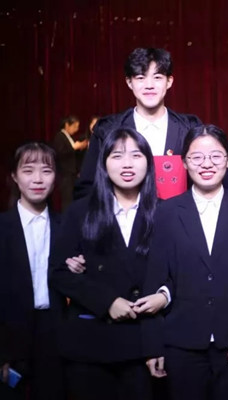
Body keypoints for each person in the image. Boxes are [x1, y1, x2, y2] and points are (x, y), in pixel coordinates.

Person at [142, 125, 228, 400]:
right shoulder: (166, 212)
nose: (206, 164)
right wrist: (153, 345)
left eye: (216, 156)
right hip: (181, 342)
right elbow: (155, 278)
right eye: (196, 157)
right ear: (184, 162)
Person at [49, 128, 162, 400]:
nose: (127, 164)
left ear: (148, 162)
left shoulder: (164, 212)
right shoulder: (80, 211)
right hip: (90, 345)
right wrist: (107, 301)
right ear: (103, 163)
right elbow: (58, 273)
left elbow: (176, 274)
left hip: (142, 346)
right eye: (117, 155)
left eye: (136, 155)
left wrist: (162, 298)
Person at [75, 47, 201, 199]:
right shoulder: (107, 129)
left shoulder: (189, 128)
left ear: (169, 81)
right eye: (141, 78)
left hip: (179, 213)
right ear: (129, 82)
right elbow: (87, 188)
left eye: (157, 77)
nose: (149, 85)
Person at [0, 142, 65, 400]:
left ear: (56, 177)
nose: (37, 179)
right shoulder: (3, 228)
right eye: (28, 170)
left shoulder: (67, 226)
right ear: (14, 176)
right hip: (10, 337)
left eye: (46, 171)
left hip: (56, 336)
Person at [52, 115, 88, 210]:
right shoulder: (60, 136)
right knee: (66, 199)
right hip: (64, 174)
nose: (76, 130)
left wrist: (79, 147)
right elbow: (59, 153)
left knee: (71, 198)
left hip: (71, 173)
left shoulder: (69, 137)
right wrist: (74, 148)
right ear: (67, 125)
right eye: (74, 126)